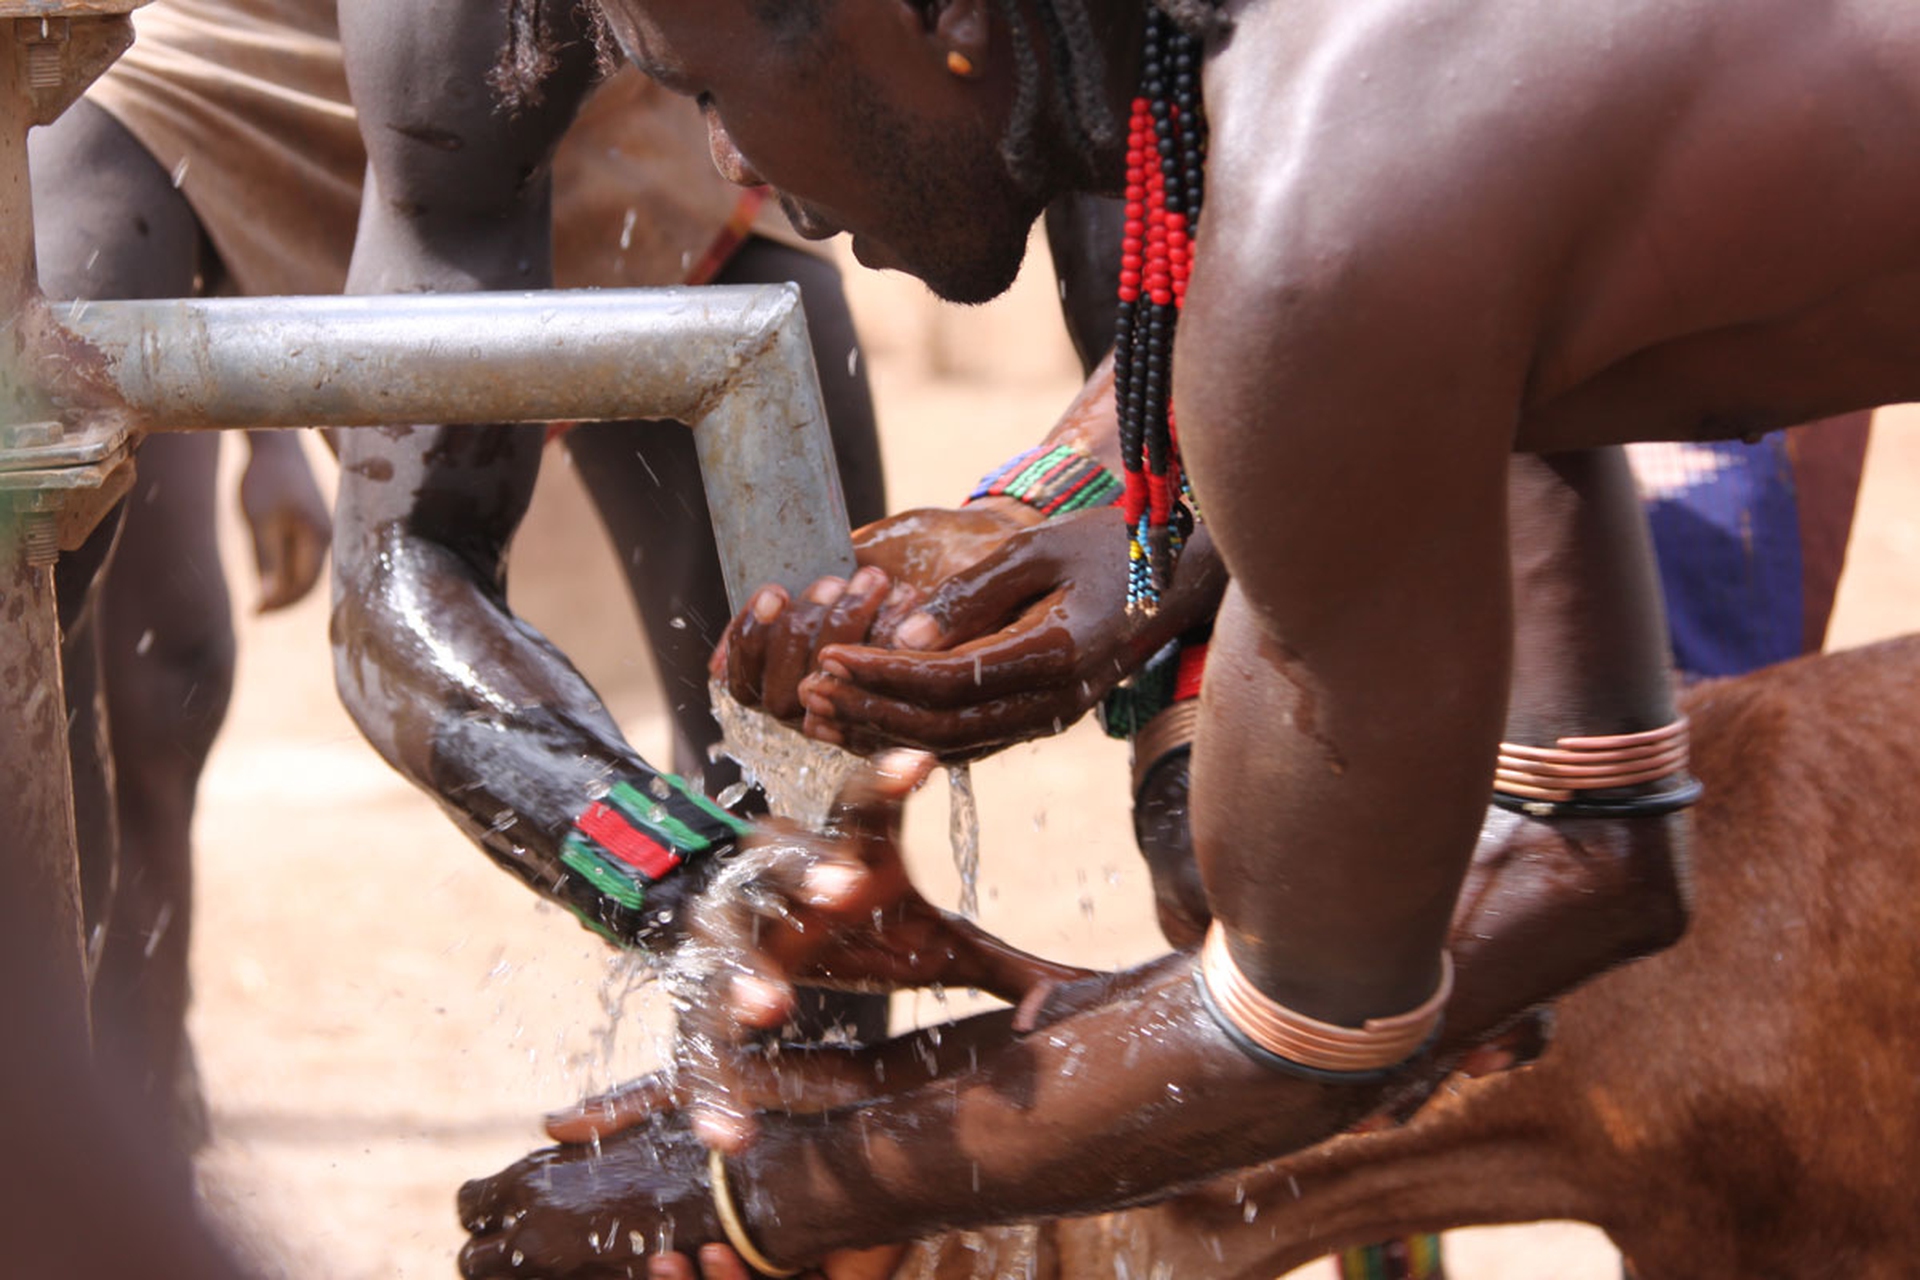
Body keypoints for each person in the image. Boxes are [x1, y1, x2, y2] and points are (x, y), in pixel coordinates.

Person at [446, 0, 1920, 1273]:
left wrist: (746, 1189)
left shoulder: (1341, 208)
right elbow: (1579, 853)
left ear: (945, 16)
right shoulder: (1340, 116)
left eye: (707, 87)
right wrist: (1136, 533)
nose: (730, 165)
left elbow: (1309, 1026)